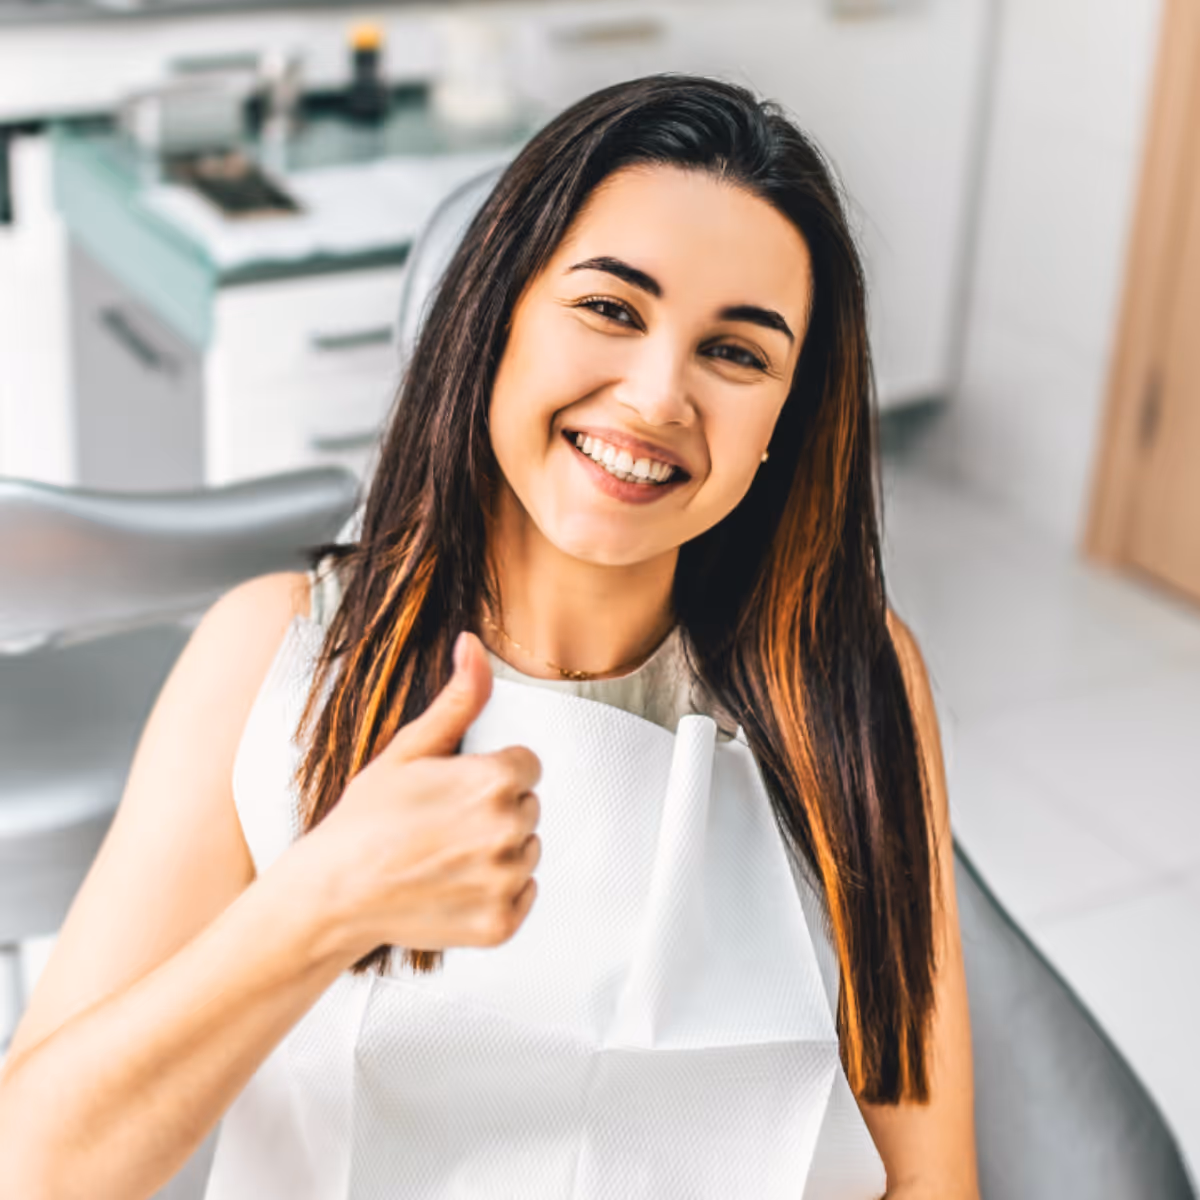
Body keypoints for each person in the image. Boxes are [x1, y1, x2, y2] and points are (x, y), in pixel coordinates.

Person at [0, 74, 979, 1199]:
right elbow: (37, 1168)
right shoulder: (274, 656)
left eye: (737, 353)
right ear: (495, 317)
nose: (659, 396)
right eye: (612, 308)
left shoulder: (848, 677)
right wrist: (321, 901)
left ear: (785, 424)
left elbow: (929, 1176)